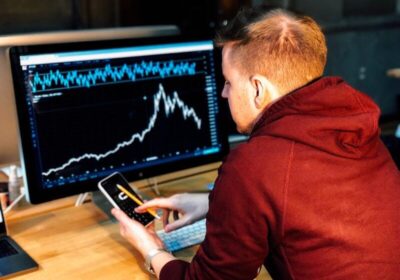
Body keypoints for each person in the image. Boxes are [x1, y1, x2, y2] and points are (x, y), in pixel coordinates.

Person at [112, 7, 400, 279]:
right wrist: (216, 204)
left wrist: (151, 249)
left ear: (258, 89)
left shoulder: (255, 165)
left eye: (228, 82)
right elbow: (309, 204)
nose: (224, 93)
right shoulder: (357, 129)